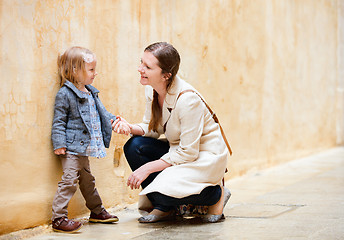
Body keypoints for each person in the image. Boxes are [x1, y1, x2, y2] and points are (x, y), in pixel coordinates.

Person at [112, 42, 231, 223]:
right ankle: (165, 208)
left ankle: (216, 193)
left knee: (160, 191)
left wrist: (147, 168)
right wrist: (129, 127)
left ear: (166, 75)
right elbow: (152, 128)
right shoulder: (151, 90)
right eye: (141, 62)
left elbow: (189, 152)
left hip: (203, 157)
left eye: (147, 67)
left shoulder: (188, 99)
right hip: (179, 152)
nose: (140, 69)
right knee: (135, 145)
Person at [51, 46, 119, 233]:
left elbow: (102, 113)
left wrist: (114, 120)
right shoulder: (65, 94)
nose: (95, 73)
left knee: (88, 181)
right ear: (74, 70)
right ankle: (58, 218)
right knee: (69, 181)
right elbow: (58, 121)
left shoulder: (91, 91)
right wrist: (59, 144)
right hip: (72, 149)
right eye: (91, 70)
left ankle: (97, 211)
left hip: (85, 149)